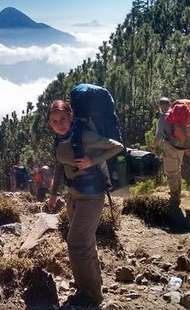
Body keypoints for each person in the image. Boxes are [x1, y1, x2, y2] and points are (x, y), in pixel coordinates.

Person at [46, 99, 124, 307]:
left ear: (71, 116)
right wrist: (54, 194)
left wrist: (92, 161)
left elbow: (117, 147)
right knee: (86, 243)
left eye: (63, 119)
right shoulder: (60, 139)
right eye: (54, 121)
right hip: (73, 196)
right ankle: (92, 286)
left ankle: (89, 295)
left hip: (91, 197)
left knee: (77, 244)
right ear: (50, 123)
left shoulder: (84, 136)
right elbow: (59, 165)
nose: (60, 124)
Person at [152, 97, 190, 230]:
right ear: (170, 104)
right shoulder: (181, 114)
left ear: (160, 105)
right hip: (182, 147)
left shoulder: (164, 117)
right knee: (177, 169)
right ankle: (177, 193)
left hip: (170, 146)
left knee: (171, 172)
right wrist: (188, 147)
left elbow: (159, 135)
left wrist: (153, 148)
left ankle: (175, 198)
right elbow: (186, 133)